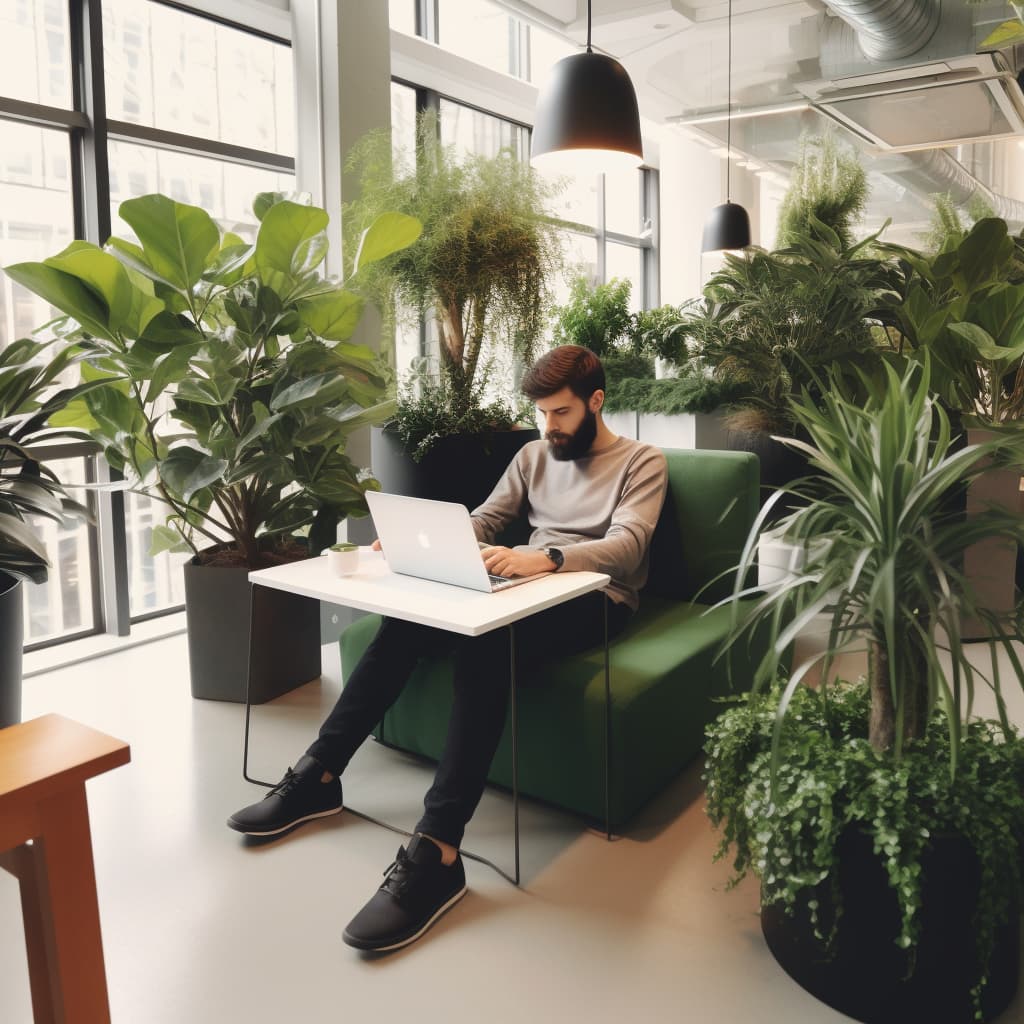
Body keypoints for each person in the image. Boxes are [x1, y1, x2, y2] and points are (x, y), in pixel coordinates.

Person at [227, 344, 668, 952]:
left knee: (485, 646)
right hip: (525, 583)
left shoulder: (642, 461)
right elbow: (488, 518)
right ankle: (319, 776)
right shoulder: (533, 454)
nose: (549, 426)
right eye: (541, 413)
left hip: (597, 597)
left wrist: (547, 557)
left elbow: (629, 545)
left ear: (596, 401)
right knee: (404, 623)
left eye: (561, 413)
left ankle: (437, 852)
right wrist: (422, 543)